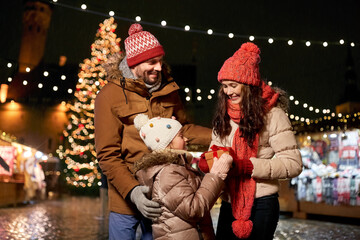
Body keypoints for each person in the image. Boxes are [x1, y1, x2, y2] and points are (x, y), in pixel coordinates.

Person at [94, 23, 212, 240]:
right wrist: (133, 192)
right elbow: (107, 155)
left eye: (160, 61)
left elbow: (182, 129)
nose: (159, 67)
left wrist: (218, 136)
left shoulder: (169, 90)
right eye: (151, 62)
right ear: (134, 63)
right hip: (126, 199)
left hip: (162, 196)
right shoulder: (109, 96)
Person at [206, 42, 303, 240]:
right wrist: (208, 161)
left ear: (248, 85)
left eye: (233, 85)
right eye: (224, 86)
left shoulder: (273, 115)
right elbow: (214, 152)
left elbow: (293, 165)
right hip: (229, 202)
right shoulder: (223, 115)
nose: (228, 92)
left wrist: (249, 167)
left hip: (262, 204)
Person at [133, 114, 233, 240]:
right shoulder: (168, 173)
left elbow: (201, 196)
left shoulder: (178, 167)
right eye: (180, 136)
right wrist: (214, 176)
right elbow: (194, 210)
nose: (186, 139)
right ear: (168, 144)